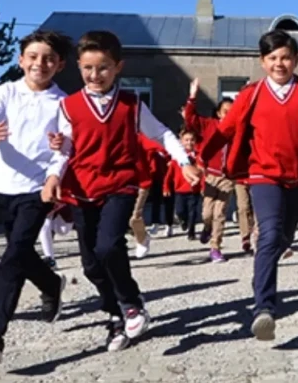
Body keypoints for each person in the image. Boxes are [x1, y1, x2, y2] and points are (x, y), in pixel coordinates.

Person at [44, 30, 200, 352]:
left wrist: (184, 161)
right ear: (78, 66)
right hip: (82, 189)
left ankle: (130, 303)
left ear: (118, 67)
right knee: (91, 265)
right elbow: (64, 149)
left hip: (120, 184)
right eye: (88, 68)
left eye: (103, 67)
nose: (95, 75)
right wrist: (53, 176)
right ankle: (116, 315)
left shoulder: (131, 104)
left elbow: (162, 134)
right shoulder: (68, 106)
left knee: (108, 246)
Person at [206, 29, 298, 341]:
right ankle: (264, 308)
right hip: (264, 175)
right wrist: (196, 159)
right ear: (262, 61)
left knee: (284, 239)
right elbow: (224, 130)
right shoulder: (251, 94)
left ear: (295, 59)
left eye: (285, 57)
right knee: (270, 235)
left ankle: (264, 264)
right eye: (272, 58)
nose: (279, 63)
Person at [0, 31, 73, 363]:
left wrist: (55, 170)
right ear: (21, 60)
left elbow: (66, 148)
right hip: (3, 185)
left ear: (60, 65)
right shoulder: (6, 92)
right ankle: (51, 284)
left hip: (37, 189)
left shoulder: (62, 103)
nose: (40, 63)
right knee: (21, 251)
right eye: (33, 56)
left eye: (49, 58)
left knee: (12, 257)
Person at [184, 78, 236, 262]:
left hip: (227, 178)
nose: (229, 115)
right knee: (207, 213)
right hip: (210, 176)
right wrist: (192, 96)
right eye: (225, 112)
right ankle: (207, 227)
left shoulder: (237, 130)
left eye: (232, 112)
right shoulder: (209, 125)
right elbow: (190, 118)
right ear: (219, 113)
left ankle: (215, 247)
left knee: (219, 214)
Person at [128, 134, 165, 259]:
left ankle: (142, 238)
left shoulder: (137, 136)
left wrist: (165, 153)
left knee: (135, 216)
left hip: (141, 183)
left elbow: (159, 144)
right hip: (118, 183)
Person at [166, 129, 205, 241]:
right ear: (181, 142)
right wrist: (166, 187)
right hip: (180, 190)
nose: (189, 142)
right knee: (180, 210)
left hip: (194, 190)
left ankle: (191, 232)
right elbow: (169, 175)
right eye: (186, 140)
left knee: (193, 212)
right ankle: (183, 220)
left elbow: (202, 173)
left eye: (192, 140)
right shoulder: (177, 158)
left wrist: (203, 187)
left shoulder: (198, 157)